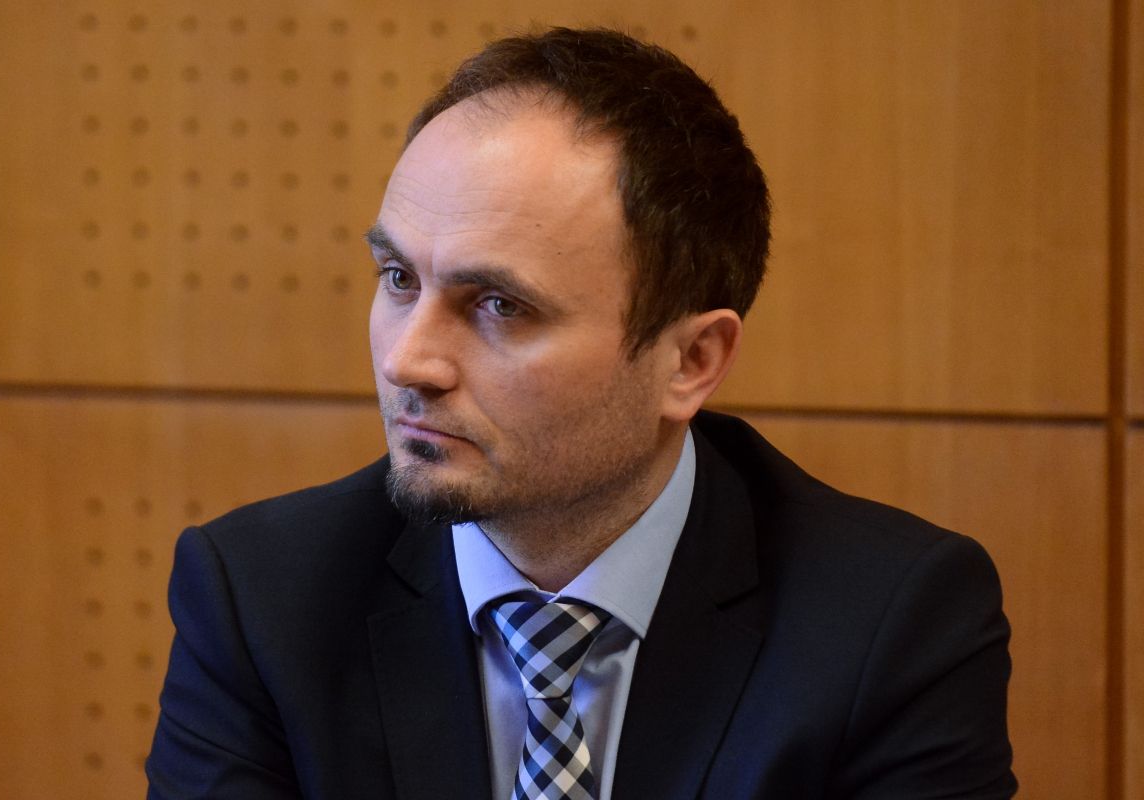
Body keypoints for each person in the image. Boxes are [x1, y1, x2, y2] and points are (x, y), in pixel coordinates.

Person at [146, 27, 1016, 800]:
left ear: (690, 361)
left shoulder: (888, 624)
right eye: (399, 279)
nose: (408, 361)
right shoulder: (262, 601)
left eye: (499, 306)